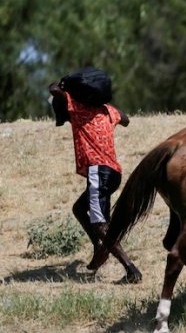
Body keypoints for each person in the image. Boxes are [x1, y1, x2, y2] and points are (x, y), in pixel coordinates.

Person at [49, 80, 142, 283]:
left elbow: (54, 89)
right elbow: (126, 120)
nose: (66, 120)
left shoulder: (78, 110)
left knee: (99, 224)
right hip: (113, 173)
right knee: (80, 209)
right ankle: (99, 247)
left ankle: (131, 269)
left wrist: (65, 83)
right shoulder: (108, 110)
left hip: (98, 171)